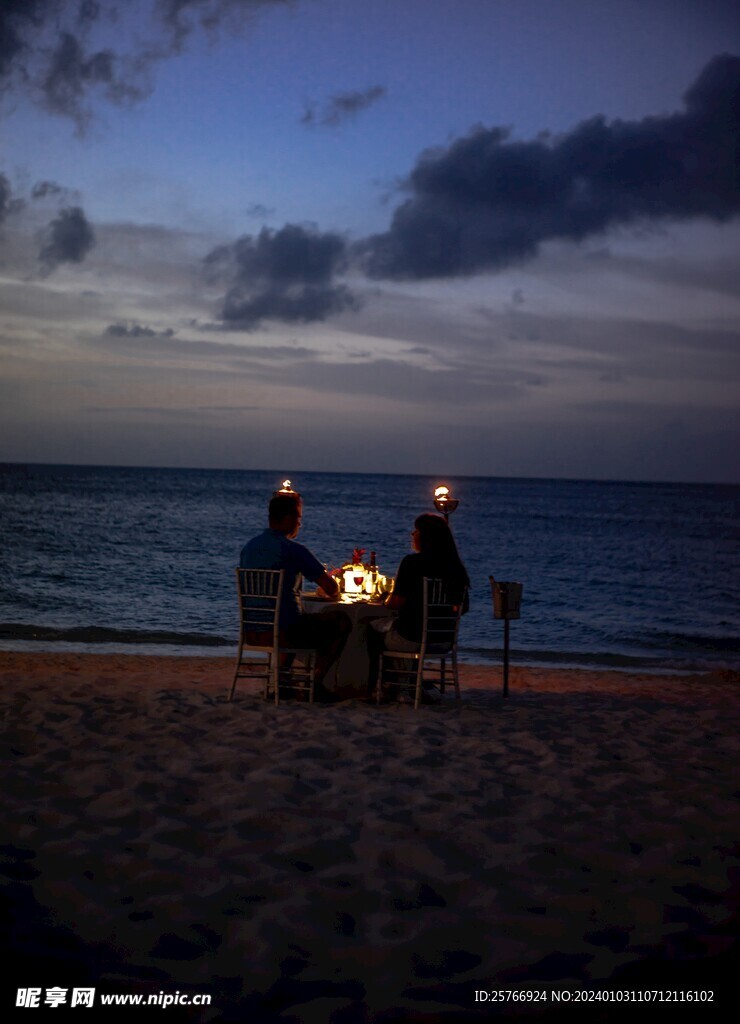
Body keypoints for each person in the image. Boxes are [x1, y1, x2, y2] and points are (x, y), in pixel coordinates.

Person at [240, 492, 350, 699]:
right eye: (299, 519)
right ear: (289, 519)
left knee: (290, 617)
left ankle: (283, 684)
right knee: (340, 621)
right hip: (283, 633)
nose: (299, 524)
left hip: (252, 631)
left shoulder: (248, 548)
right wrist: (333, 581)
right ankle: (315, 684)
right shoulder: (292, 549)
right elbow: (330, 588)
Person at [368, 513, 470, 700]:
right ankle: (412, 685)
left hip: (412, 637)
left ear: (424, 536)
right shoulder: (456, 568)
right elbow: (463, 608)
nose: (412, 534)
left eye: (416, 531)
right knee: (409, 629)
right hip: (443, 641)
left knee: (370, 631)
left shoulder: (412, 563)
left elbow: (396, 602)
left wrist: (386, 601)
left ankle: (382, 687)